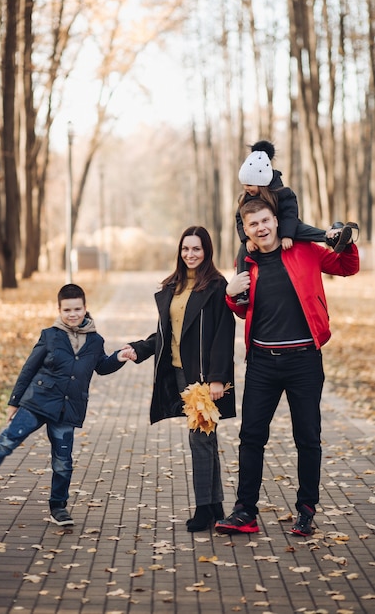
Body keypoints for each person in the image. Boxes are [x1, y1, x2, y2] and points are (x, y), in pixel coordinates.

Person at [215, 200, 359, 537]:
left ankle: (307, 510)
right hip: (262, 362)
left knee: (308, 438)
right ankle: (244, 512)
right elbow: (242, 308)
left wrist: (347, 241)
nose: (261, 228)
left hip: (304, 360)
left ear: (277, 220)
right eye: (254, 224)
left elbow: (346, 267)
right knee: (251, 438)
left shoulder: (306, 248)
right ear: (246, 230)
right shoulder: (246, 261)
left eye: (266, 220)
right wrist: (229, 294)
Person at [0, 283, 136, 527]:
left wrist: (118, 357)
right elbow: (29, 368)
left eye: (77, 309)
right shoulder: (50, 335)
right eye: (67, 310)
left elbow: (102, 366)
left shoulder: (96, 341)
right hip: (37, 402)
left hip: (68, 410)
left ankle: (58, 507)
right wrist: (14, 402)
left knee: (63, 461)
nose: (72, 314)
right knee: (7, 440)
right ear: (59, 310)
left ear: (85, 308)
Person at [129, 226, 236, 532]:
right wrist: (138, 349)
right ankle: (214, 506)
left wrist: (217, 379)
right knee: (205, 440)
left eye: (197, 249)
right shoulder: (172, 286)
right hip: (177, 373)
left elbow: (223, 335)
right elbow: (165, 333)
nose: (190, 254)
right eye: (186, 249)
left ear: (207, 252)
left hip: (202, 377)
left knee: (200, 440)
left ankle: (205, 509)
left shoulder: (216, 286)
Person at [234, 140, 358, 305]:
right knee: (242, 252)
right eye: (244, 185)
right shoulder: (246, 198)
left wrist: (287, 235)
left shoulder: (282, 193)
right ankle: (243, 292)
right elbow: (239, 219)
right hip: (261, 238)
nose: (246, 188)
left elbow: (290, 216)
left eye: (249, 184)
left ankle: (332, 236)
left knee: (304, 231)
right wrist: (247, 239)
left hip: (288, 227)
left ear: (261, 181)